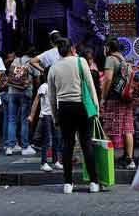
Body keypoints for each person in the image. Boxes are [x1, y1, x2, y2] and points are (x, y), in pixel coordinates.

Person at [47, 39, 100, 194]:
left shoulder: (53, 67)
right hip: (82, 106)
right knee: (86, 144)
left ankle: (68, 183)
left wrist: (55, 116)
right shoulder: (80, 61)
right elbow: (90, 86)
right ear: (72, 48)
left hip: (64, 108)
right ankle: (94, 182)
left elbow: (51, 96)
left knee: (67, 146)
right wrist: (95, 108)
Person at [99, 39, 136, 170]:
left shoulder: (110, 59)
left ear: (108, 47)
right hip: (126, 99)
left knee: (108, 128)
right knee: (127, 128)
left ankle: (106, 160)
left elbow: (108, 78)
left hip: (114, 98)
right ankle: (129, 159)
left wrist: (103, 98)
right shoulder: (124, 60)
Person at [28, 69, 62, 172]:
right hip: (46, 116)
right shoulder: (44, 86)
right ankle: (44, 162)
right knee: (47, 140)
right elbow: (36, 101)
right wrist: (32, 115)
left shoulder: (57, 86)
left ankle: (56, 161)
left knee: (57, 139)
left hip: (55, 116)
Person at [5, 50, 36, 156]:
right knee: (24, 120)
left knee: (11, 119)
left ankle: (10, 147)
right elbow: (37, 77)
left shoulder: (15, 61)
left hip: (12, 92)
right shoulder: (32, 62)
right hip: (25, 93)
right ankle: (24, 147)